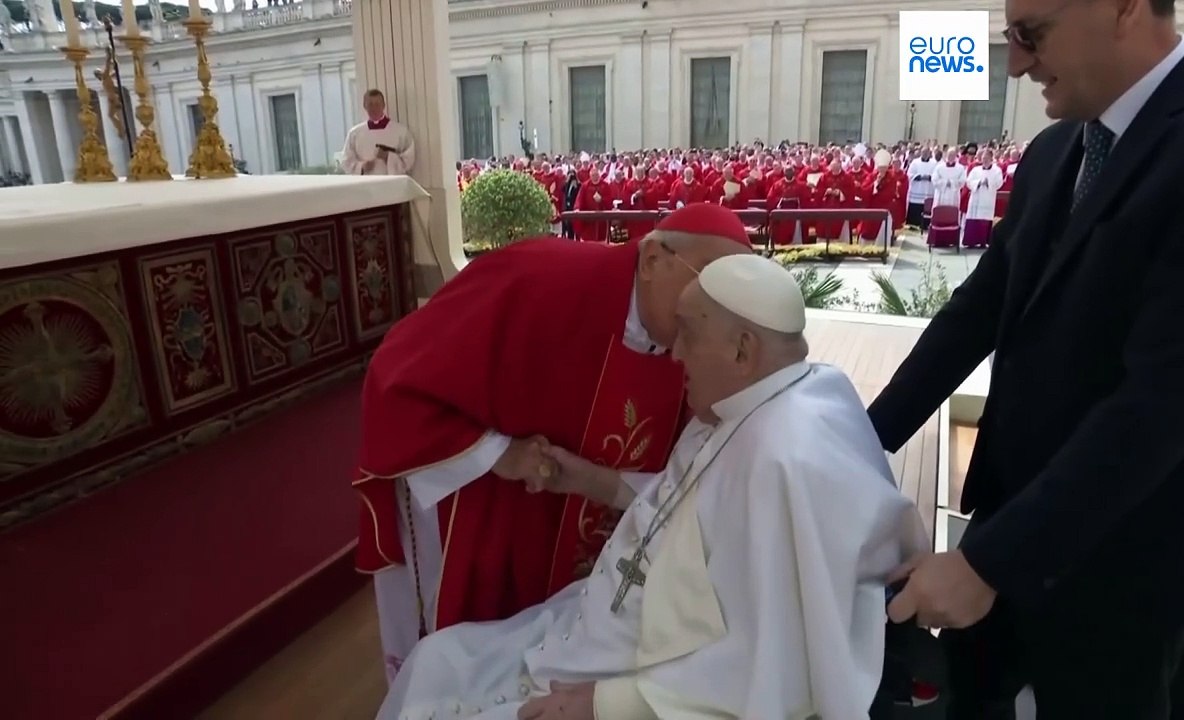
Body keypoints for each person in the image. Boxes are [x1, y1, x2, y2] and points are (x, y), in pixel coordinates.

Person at [868, 1, 1184, 717]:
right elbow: (975, 314)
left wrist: (988, 564)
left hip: (1138, 571)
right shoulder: (1056, 152)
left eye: (1031, 34)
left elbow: (1167, 399)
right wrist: (857, 440)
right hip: (1010, 529)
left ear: (1120, 8)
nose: (1017, 63)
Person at [376, 254, 929, 720]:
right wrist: (588, 479)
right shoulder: (779, 394)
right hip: (602, 629)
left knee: (438, 692)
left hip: (648, 680)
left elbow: (768, 662)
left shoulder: (783, 459)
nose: (675, 352)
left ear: (742, 350)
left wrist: (602, 702)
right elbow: (689, 513)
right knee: (438, 661)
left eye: (688, 333)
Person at [354, 204, 755, 683]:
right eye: (705, 282)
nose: (712, 309)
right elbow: (395, 378)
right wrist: (501, 454)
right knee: (454, 674)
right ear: (652, 261)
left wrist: (592, 482)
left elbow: (695, 481)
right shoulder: (536, 278)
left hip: (584, 577)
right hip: (487, 511)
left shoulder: (698, 345)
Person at [341, 89, 415, 176]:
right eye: (370, 104)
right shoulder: (354, 133)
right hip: (365, 185)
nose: (374, 108)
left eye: (377, 104)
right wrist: (361, 167)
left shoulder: (401, 132)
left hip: (392, 184)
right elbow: (346, 161)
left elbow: (408, 159)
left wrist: (388, 157)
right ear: (365, 106)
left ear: (383, 105)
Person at [960, 150, 1002, 248]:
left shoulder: (996, 170)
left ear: (991, 158)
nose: (985, 160)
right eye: (983, 158)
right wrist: (978, 182)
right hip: (976, 198)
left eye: (987, 158)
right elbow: (969, 181)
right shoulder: (976, 170)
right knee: (974, 219)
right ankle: (971, 242)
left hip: (988, 198)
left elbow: (999, 183)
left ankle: (983, 242)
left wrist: (988, 182)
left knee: (985, 219)